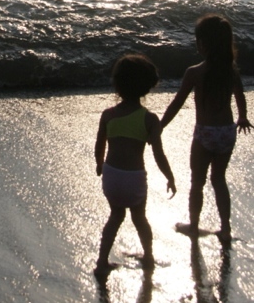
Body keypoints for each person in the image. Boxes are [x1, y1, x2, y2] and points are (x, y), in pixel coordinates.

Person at [160, 14, 252, 243]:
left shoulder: (194, 72)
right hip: (226, 133)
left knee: (197, 182)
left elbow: (177, 103)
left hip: (204, 134)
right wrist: (242, 117)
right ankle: (225, 228)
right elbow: (240, 96)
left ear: (203, 44)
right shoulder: (231, 70)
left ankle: (194, 224)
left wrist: (159, 126)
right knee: (219, 179)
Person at [94, 54, 176, 277]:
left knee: (115, 217)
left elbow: (99, 144)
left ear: (117, 85)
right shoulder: (149, 119)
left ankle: (102, 261)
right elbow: (158, 154)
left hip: (111, 177)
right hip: (134, 178)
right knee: (139, 218)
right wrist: (169, 176)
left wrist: (99, 165)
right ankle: (148, 256)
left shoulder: (108, 115)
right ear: (147, 87)